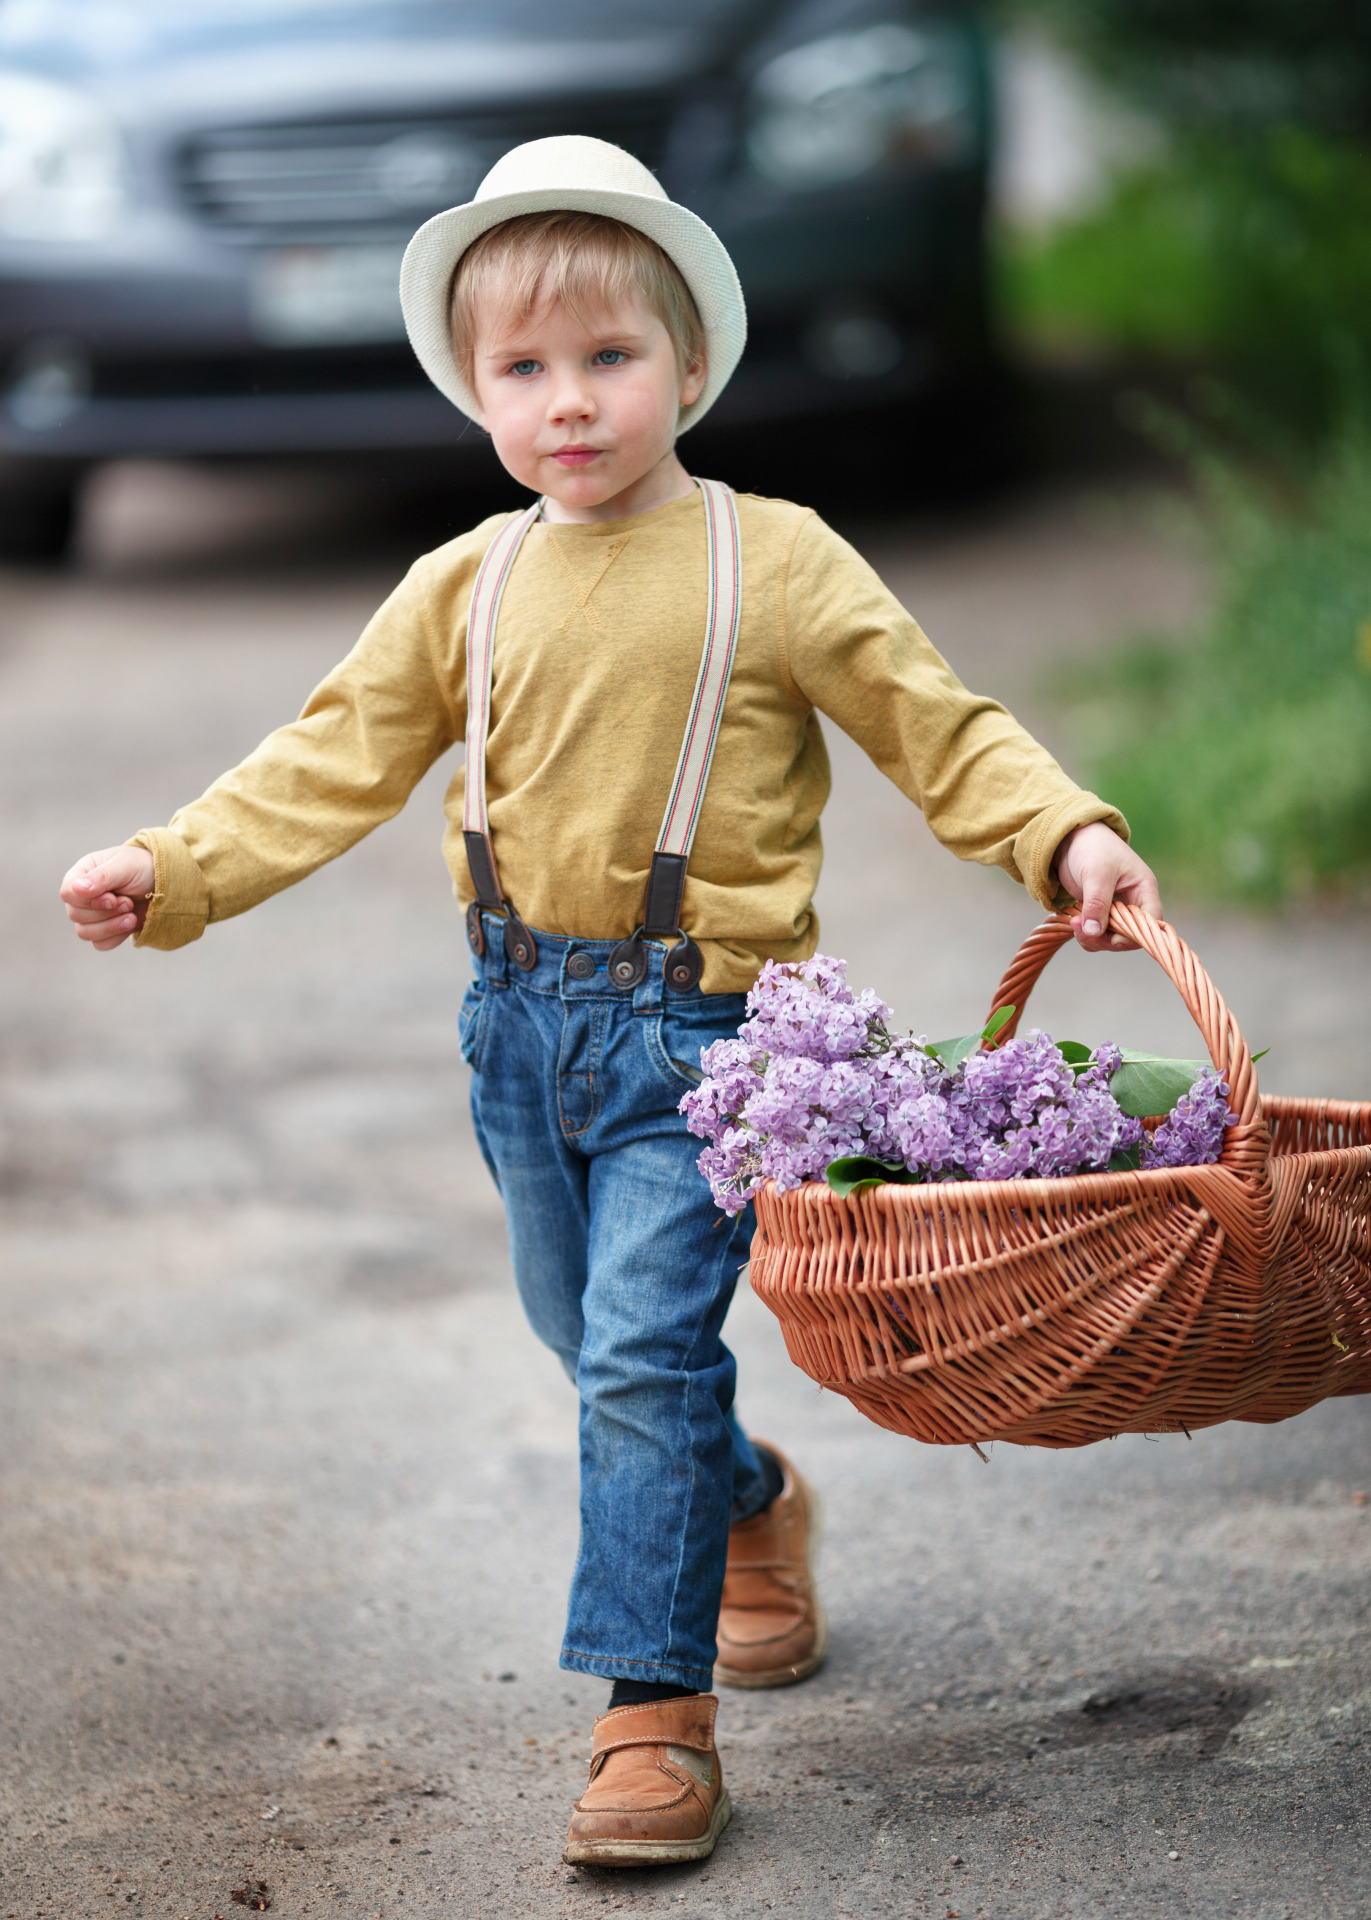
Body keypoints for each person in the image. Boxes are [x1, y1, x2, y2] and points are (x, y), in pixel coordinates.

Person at [59, 138, 1162, 1869]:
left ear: (690, 366)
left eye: (608, 359)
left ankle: (652, 1723)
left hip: (706, 1046)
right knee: (588, 1344)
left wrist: (1066, 832)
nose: (567, 403)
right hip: (517, 1029)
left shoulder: (774, 561)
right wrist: (171, 862)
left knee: (640, 1359)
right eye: (524, 370)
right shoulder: (466, 583)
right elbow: (329, 757)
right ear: (475, 389)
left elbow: (933, 722)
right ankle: (744, 1512)